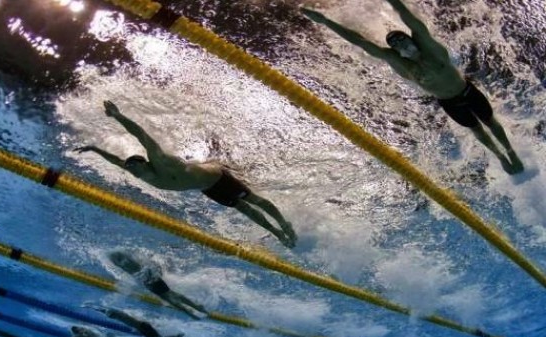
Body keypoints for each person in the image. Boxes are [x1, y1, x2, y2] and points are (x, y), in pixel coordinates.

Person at [301, 0, 524, 175]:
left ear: (411, 37)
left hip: (467, 91)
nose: (398, 42)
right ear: (394, 50)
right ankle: (500, 156)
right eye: (393, 43)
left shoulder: (429, 46)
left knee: (490, 122)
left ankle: (511, 151)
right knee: (477, 130)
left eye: (400, 37)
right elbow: (360, 41)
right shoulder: (399, 62)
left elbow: (406, 15)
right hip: (449, 103)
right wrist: (324, 21)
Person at [75, 100, 297, 248]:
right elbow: (116, 161)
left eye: (133, 167)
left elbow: (140, 134)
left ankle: (283, 223)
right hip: (207, 188)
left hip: (218, 176)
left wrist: (117, 116)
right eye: (130, 169)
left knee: (253, 200)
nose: (130, 171)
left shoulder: (159, 161)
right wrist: (95, 150)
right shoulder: (142, 174)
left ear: (143, 162)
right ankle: (276, 233)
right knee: (244, 209)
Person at [109, 251, 208, 320]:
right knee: (170, 293)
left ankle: (191, 312)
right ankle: (196, 307)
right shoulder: (126, 257)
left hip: (146, 279)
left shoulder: (115, 259)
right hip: (148, 274)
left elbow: (122, 265)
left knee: (169, 298)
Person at [83, 303, 185, 337]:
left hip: (143, 327)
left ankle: (177, 336)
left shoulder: (119, 316)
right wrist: (90, 306)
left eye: (111, 316)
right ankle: (173, 334)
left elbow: (106, 311)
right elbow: (101, 309)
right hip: (142, 326)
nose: (110, 317)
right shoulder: (115, 313)